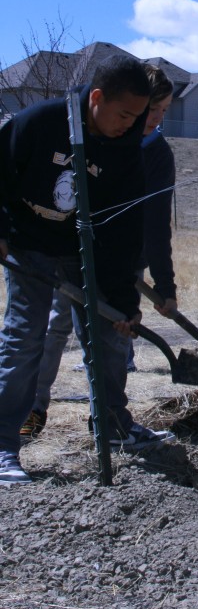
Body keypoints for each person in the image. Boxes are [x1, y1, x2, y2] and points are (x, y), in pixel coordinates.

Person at [0, 55, 175, 487]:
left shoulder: (126, 150)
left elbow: (123, 230)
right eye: (124, 115)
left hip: (83, 249)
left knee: (108, 330)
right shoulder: (39, 122)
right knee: (25, 335)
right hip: (28, 244)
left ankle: (113, 425)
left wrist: (123, 304)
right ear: (96, 98)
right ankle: (3, 443)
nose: (130, 124)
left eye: (138, 116)